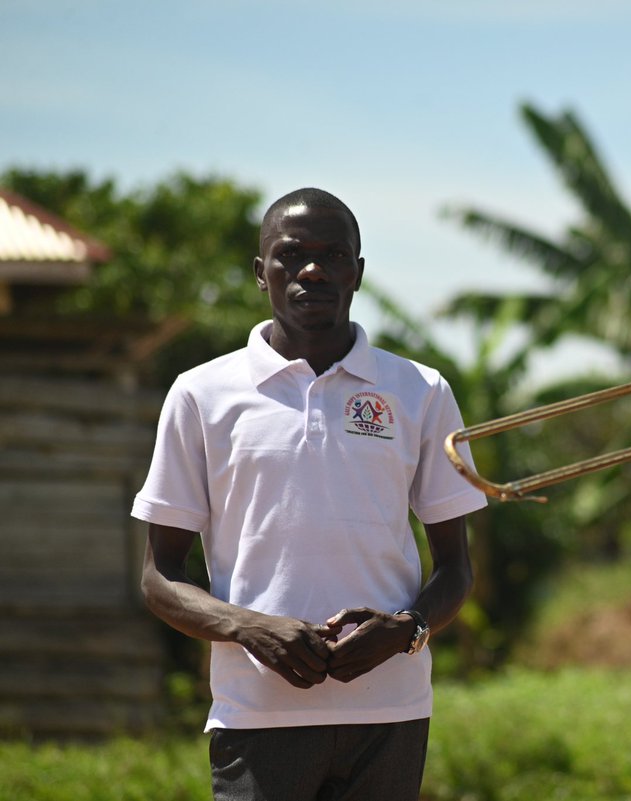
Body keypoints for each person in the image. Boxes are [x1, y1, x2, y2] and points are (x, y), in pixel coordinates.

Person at [134, 187, 488, 801]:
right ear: (260, 272)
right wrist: (250, 628)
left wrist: (406, 629)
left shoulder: (420, 391)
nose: (313, 270)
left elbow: (455, 569)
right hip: (257, 715)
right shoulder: (200, 395)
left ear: (358, 271)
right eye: (291, 255)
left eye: (333, 255)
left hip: (390, 715)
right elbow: (159, 578)